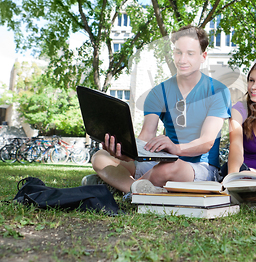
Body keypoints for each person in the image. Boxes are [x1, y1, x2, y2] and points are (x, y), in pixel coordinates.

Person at [82, 25, 232, 194]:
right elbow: (146, 135)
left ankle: (118, 184)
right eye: (178, 52)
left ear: (203, 56)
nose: (183, 59)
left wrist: (176, 148)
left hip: (200, 166)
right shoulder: (158, 92)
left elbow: (207, 142)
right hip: (162, 160)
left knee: (167, 169)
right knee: (100, 157)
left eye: (190, 54)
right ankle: (135, 189)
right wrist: (127, 153)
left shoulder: (217, 91)